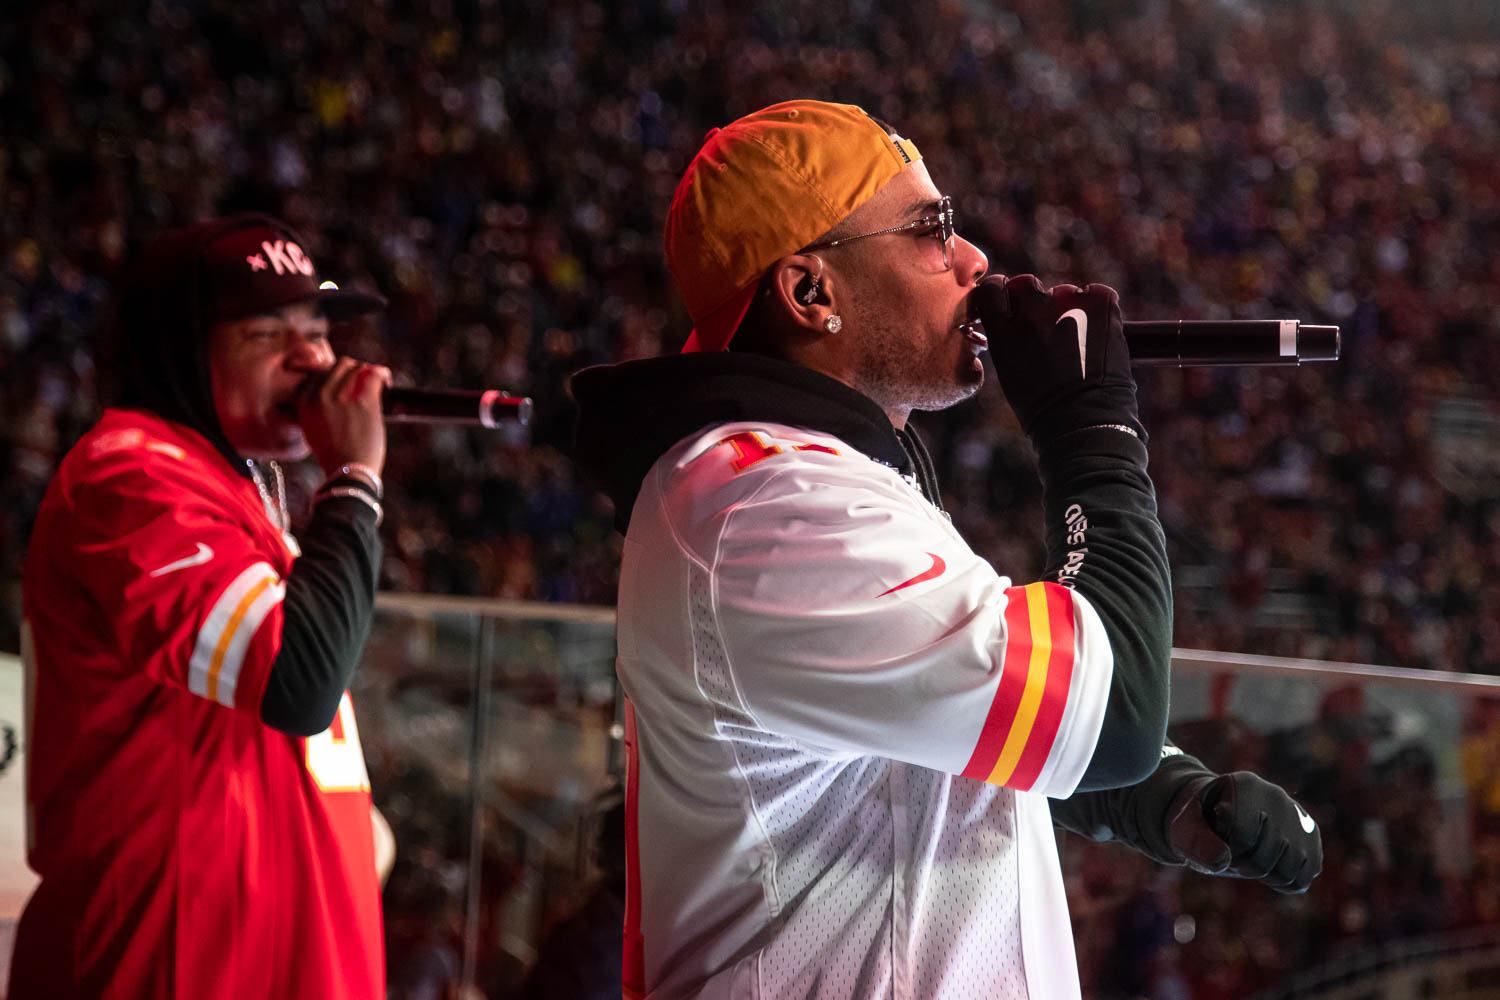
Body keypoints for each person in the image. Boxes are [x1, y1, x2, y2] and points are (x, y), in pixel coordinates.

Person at [571, 100, 1320, 999]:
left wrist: (1165, 800)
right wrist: (1093, 431)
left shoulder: (796, 481)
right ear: (812, 293)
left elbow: (946, 717)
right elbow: (1114, 706)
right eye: (933, 230)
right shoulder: (778, 509)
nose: (974, 262)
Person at [10, 213, 393, 999]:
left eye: (317, 329)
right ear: (184, 349)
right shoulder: (130, 478)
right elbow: (298, 680)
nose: (314, 357)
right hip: (169, 966)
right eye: (267, 331)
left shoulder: (238, 491)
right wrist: (355, 479)